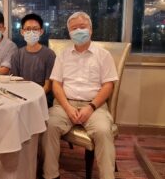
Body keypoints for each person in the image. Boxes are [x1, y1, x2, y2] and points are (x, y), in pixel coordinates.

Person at [41, 11, 118, 179]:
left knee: (103, 131)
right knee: (48, 126)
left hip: (94, 106)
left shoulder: (103, 55)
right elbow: (56, 84)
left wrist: (90, 107)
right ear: (69, 33)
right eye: (73, 28)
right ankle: (51, 175)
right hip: (64, 104)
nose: (78, 31)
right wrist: (67, 108)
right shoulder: (63, 55)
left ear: (90, 30)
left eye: (82, 27)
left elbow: (108, 86)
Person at [10, 13, 56, 107]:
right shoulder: (17, 55)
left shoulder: (50, 55)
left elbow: (48, 85)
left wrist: (34, 97)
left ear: (41, 31)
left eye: (35, 29)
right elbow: (15, 81)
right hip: (21, 96)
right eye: (27, 29)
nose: (31, 32)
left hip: (43, 97)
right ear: (22, 32)